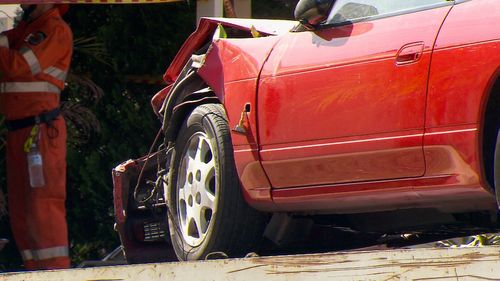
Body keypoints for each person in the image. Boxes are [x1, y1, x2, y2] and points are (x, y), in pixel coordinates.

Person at [0, 4, 72, 270]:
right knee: (22, 210)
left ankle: (54, 274)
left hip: (39, 133)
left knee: (42, 206)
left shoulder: (53, 30)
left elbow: (16, 66)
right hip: (22, 132)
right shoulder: (27, 31)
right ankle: (36, 273)